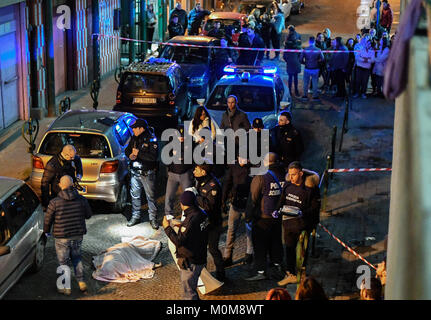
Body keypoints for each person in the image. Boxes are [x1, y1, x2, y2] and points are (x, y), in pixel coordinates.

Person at [44, 175, 92, 295]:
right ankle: (81, 282)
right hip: (77, 235)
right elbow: (88, 215)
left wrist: (46, 231)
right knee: (77, 258)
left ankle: (65, 287)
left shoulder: (54, 202)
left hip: (62, 237)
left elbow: (48, 219)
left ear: (61, 185)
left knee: (63, 262)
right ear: (72, 185)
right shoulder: (82, 199)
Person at [276, 162, 321, 286]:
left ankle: (302, 275)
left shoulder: (310, 189)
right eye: (289, 174)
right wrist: (277, 210)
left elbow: (315, 207)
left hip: (302, 225)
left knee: (302, 252)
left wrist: (303, 213)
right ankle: (291, 274)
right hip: (288, 224)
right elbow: (282, 200)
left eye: (294, 175)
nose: (291, 177)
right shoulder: (287, 185)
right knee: (289, 249)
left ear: (300, 173)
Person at [245, 153, 285, 281]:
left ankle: (261, 271)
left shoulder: (261, 177)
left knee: (260, 246)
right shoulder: (280, 175)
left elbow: (253, 199)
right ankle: (277, 265)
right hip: (276, 216)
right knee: (275, 242)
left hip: (262, 218)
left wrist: (248, 216)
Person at [162, 190, 209, 300]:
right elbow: (197, 230)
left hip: (190, 261)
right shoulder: (202, 214)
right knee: (191, 288)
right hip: (200, 256)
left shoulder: (190, 221)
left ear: (182, 204)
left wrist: (167, 228)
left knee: (188, 293)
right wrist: (182, 225)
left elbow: (179, 241)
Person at [190, 162, 225, 281]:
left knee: (213, 249)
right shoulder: (200, 181)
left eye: (197, 169)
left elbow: (209, 205)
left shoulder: (213, 186)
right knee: (201, 248)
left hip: (213, 223)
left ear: (203, 172)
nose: (194, 171)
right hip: (203, 222)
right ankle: (202, 273)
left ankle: (221, 273)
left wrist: (196, 196)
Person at [125, 118, 159, 228]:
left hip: (147, 173)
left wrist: (138, 154)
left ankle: (153, 218)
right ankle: (135, 216)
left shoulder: (151, 139)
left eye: (135, 128)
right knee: (135, 196)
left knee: (151, 197)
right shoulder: (134, 138)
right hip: (135, 172)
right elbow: (127, 150)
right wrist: (129, 155)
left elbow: (153, 157)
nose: (133, 130)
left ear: (141, 128)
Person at [222, 150, 253, 267]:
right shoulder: (233, 167)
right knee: (231, 231)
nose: (243, 160)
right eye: (241, 157)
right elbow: (227, 183)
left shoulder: (253, 168)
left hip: (248, 205)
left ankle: (249, 254)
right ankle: (227, 256)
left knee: (249, 231)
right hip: (235, 204)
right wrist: (223, 201)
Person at [164, 124, 194, 218]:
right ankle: (169, 216)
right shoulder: (170, 143)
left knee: (187, 196)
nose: (181, 138)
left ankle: (186, 216)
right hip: (173, 174)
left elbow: (192, 157)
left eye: (183, 135)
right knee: (169, 196)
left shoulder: (190, 143)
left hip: (185, 173)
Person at [300, 36, 324, 101]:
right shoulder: (318, 50)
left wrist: (305, 63)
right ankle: (315, 97)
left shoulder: (305, 49)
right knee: (315, 83)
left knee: (305, 83)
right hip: (315, 68)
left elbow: (300, 59)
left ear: (309, 41)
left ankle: (304, 96)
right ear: (314, 41)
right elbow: (322, 59)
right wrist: (317, 62)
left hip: (307, 68)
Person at [283, 28, 302, 97]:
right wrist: (299, 60)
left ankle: (290, 91)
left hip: (290, 63)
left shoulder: (287, 44)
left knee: (290, 78)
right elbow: (300, 54)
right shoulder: (298, 44)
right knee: (295, 77)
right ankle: (296, 90)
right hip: (296, 63)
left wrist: (288, 60)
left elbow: (284, 56)